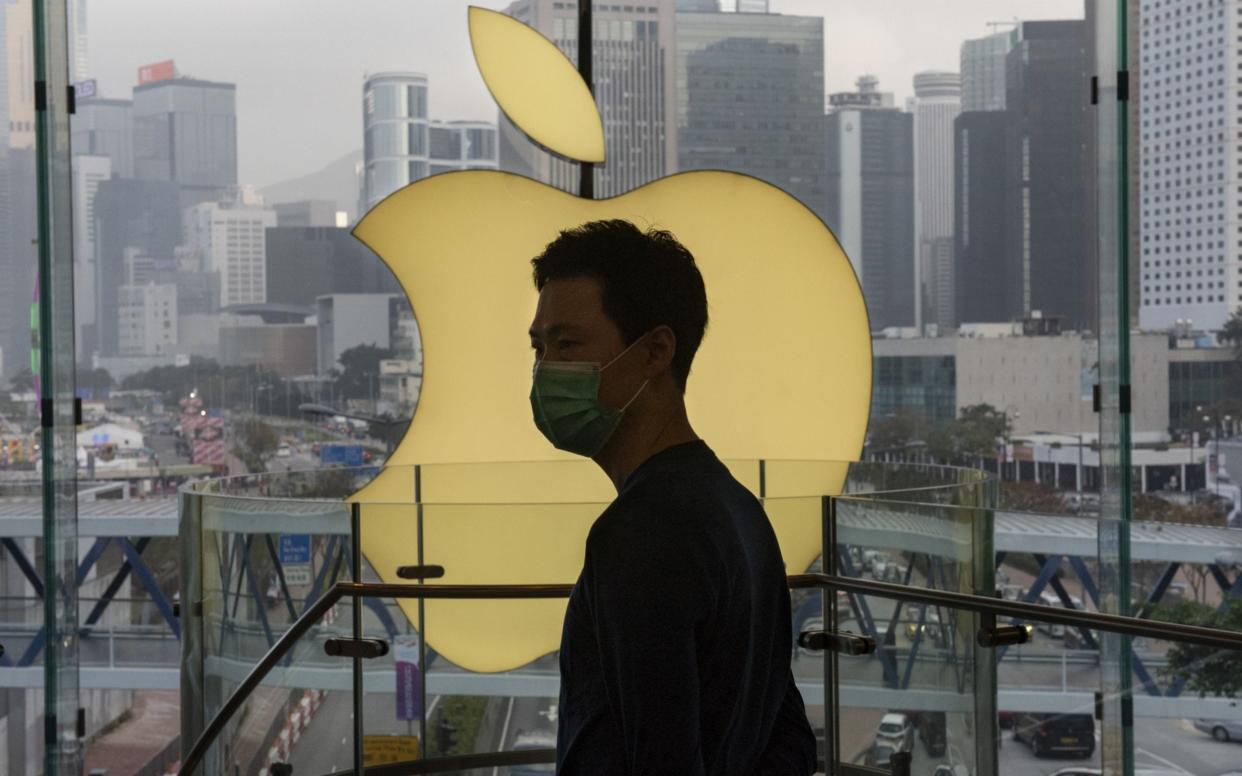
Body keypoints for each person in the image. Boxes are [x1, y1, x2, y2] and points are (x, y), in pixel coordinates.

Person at [527, 220, 817, 775]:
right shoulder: (737, 509)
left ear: (656, 351)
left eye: (567, 344)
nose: (544, 372)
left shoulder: (639, 533)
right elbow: (788, 739)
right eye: (538, 347)